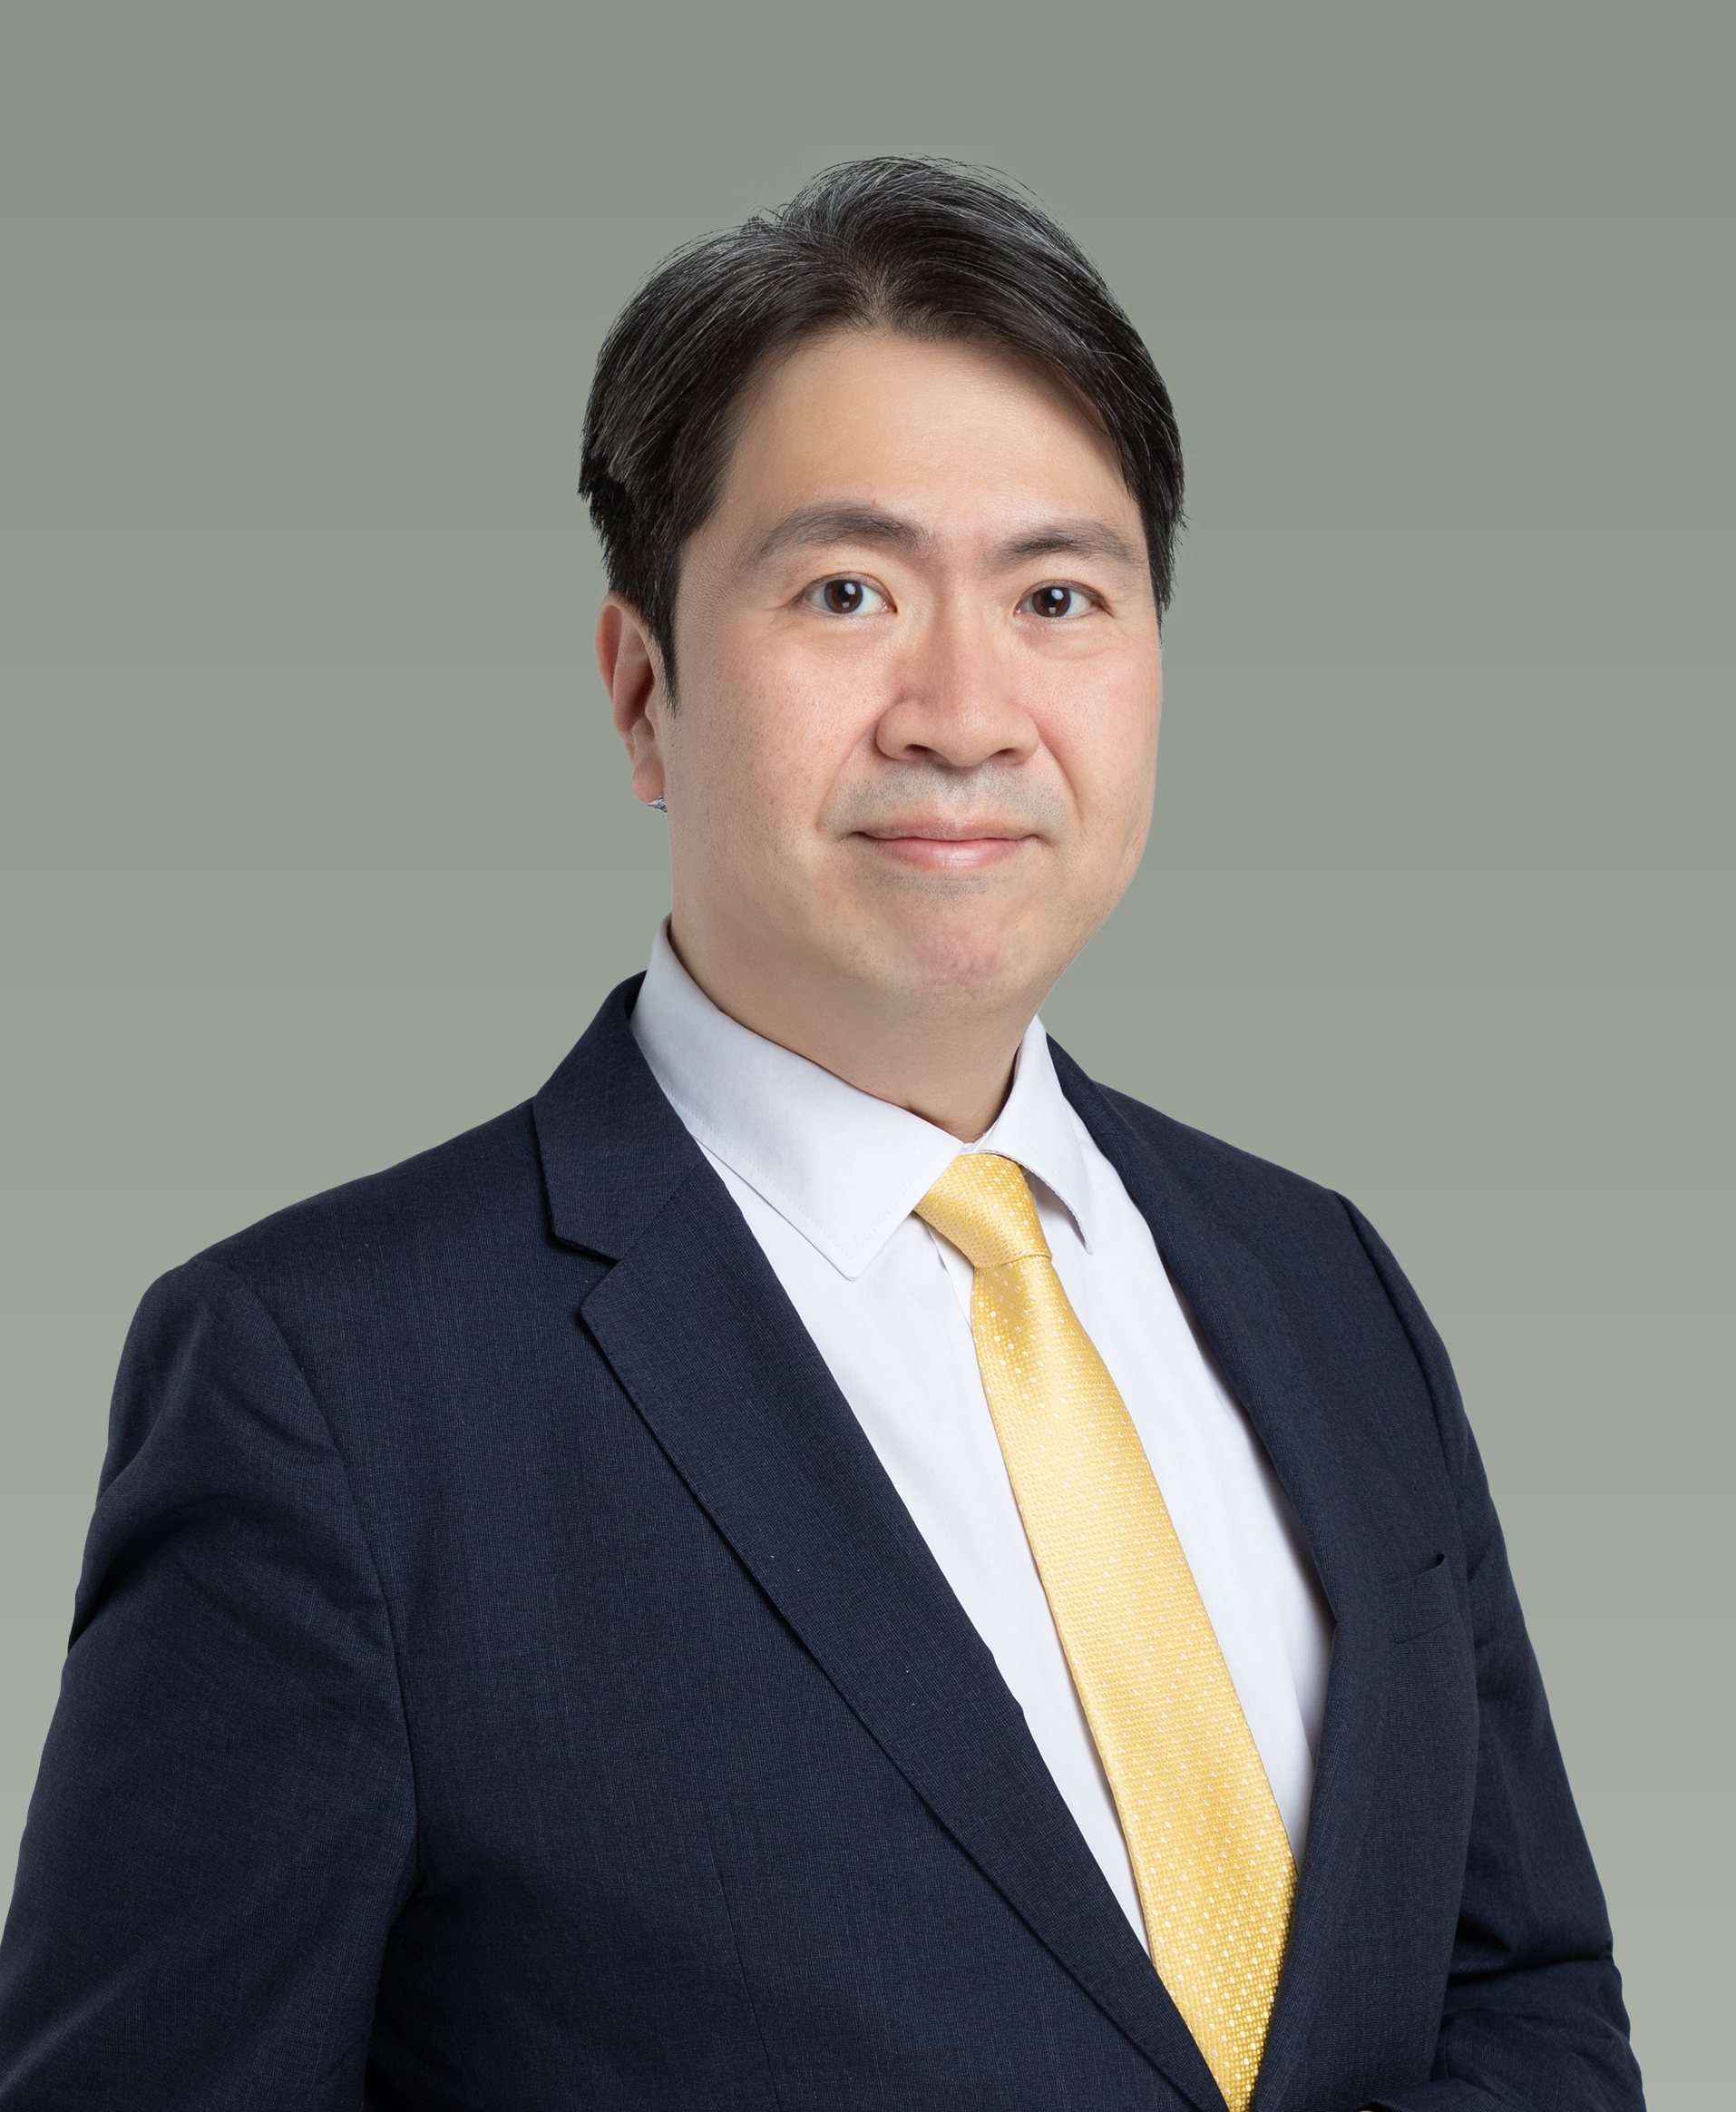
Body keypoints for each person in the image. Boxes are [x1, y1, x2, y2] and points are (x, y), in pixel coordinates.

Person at [0, 158, 1641, 2112]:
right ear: (641, 692)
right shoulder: (324, 1387)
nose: (964, 713)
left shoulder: (1323, 1280)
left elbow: (1521, 1989)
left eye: (1058, 595)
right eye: (847, 592)